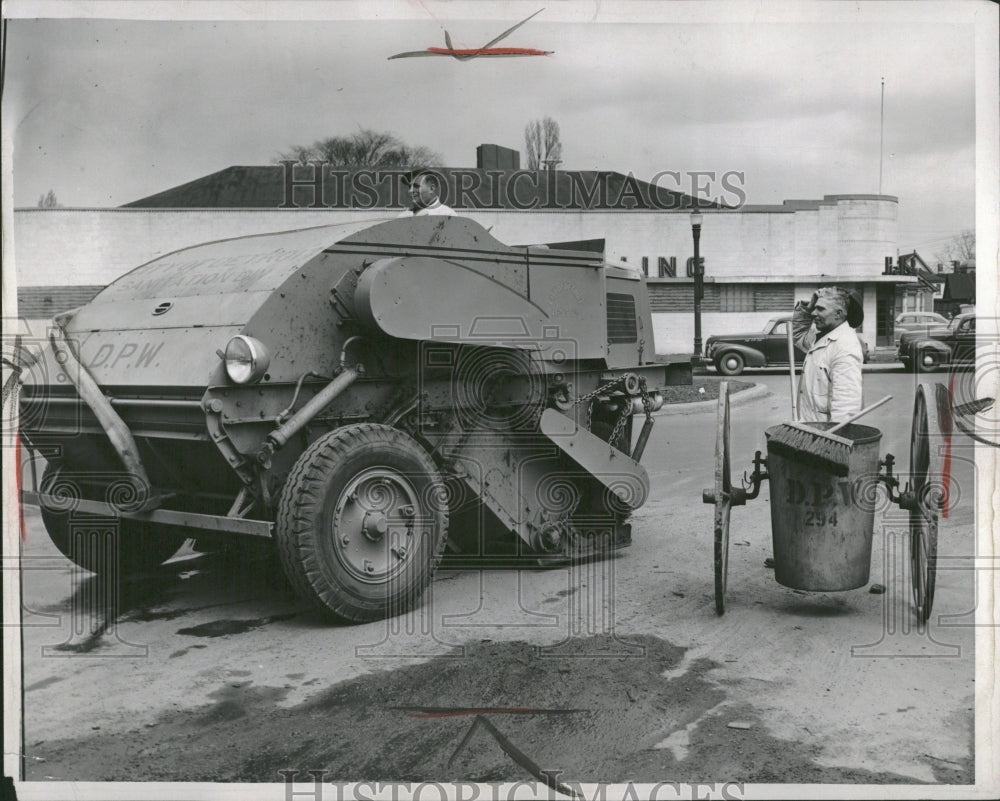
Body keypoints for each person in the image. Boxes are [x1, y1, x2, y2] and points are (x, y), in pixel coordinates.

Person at [791, 286, 864, 423]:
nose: (813, 313)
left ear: (838, 314)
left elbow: (846, 407)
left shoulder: (845, 348)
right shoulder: (820, 335)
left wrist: (831, 441)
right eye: (815, 308)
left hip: (825, 436)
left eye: (820, 309)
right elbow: (798, 335)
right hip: (809, 429)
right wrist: (808, 307)